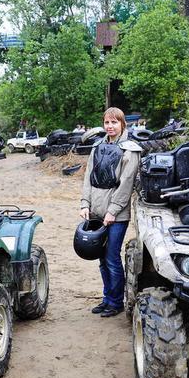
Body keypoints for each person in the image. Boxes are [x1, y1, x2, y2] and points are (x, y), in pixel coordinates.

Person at [80, 107, 142, 317]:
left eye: (114, 123)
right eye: (107, 122)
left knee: (111, 257)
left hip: (116, 215)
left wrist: (113, 211)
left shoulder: (130, 150)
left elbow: (126, 184)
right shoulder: (97, 146)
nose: (110, 126)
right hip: (97, 211)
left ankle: (116, 302)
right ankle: (107, 298)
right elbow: (88, 176)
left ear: (123, 124)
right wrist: (84, 204)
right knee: (101, 258)